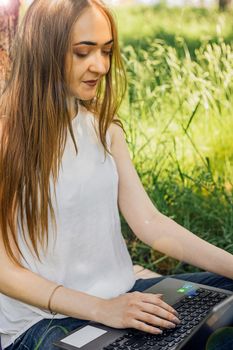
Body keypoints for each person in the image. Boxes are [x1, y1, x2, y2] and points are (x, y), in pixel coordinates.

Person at [0, 0, 232, 349]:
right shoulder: (7, 138)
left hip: (122, 297)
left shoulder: (105, 129)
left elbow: (150, 223)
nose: (101, 65)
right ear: (44, 52)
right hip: (43, 321)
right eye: (83, 52)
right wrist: (102, 309)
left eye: (106, 51)